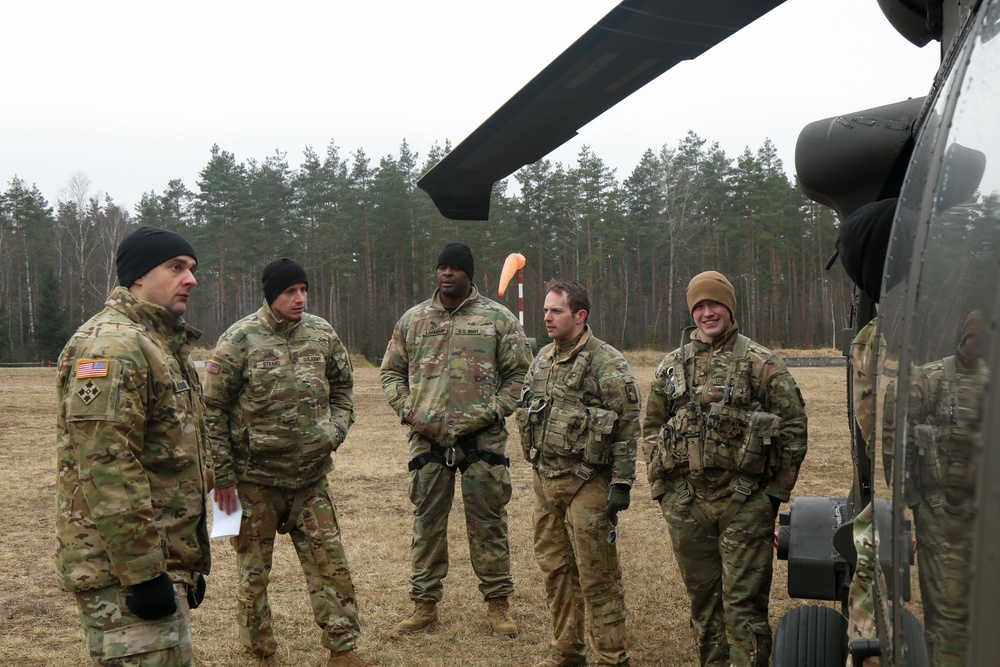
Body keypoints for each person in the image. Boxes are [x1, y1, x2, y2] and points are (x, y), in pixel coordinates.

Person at [202, 258, 371, 667]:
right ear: (270, 295)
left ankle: (343, 651)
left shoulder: (322, 333)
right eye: (290, 292)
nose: (300, 298)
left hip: (311, 480)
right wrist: (222, 478)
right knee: (254, 575)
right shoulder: (240, 339)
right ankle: (262, 653)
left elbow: (344, 388)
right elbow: (211, 410)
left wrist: (334, 432)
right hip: (254, 481)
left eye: (303, 289)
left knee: (331, 567)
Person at [55, 225, 210, 666]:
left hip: (154, 561)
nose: (191, 279)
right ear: (139, 276)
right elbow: (107, 465)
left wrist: (182, 563)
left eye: (192, 269)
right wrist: (144, 574)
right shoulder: (116, 345)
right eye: (176, 267)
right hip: (123, 572)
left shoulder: (160, 343)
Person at [642, 270, 808, 667]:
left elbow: (793, 430)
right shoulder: (670, 367)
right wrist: (663, 490)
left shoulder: (761, 363)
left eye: (714, 303)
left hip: (744, 503)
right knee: (703, 604)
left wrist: (772, 496)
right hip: (686, 504)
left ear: (729, 307)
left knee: (745, 608)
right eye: (699, 306)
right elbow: (650, 428)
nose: (706, 312)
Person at [380, 242, 532, 636]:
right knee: (427, 524)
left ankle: (498, 605)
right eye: (441, 267)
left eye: (454, 268)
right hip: (427, 442)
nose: (446, 274)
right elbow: (391, 373)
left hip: (482, 442)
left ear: (469, 274)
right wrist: (409, 411)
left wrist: (493, 410)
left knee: (489, 524)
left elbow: (520, 376)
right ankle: (424, 606)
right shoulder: (413, 320)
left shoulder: (497, 319)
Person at [518, 280, 641, 667]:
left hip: (588, 482)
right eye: (545, 310)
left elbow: (627, 425)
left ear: (580, 315)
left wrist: (621, 483)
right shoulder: (542, 358)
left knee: (597, 577)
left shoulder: (607, 362)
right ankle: (567, 652)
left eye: (556, 310)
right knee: (556, 572)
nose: (547, 317)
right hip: (546, 482)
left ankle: (610, 656)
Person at [883, 311, 986, 667]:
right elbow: (895, 434)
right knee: (946, 617)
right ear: (965, 338)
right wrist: (912, 497)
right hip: (942, 513)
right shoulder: (931, 380)